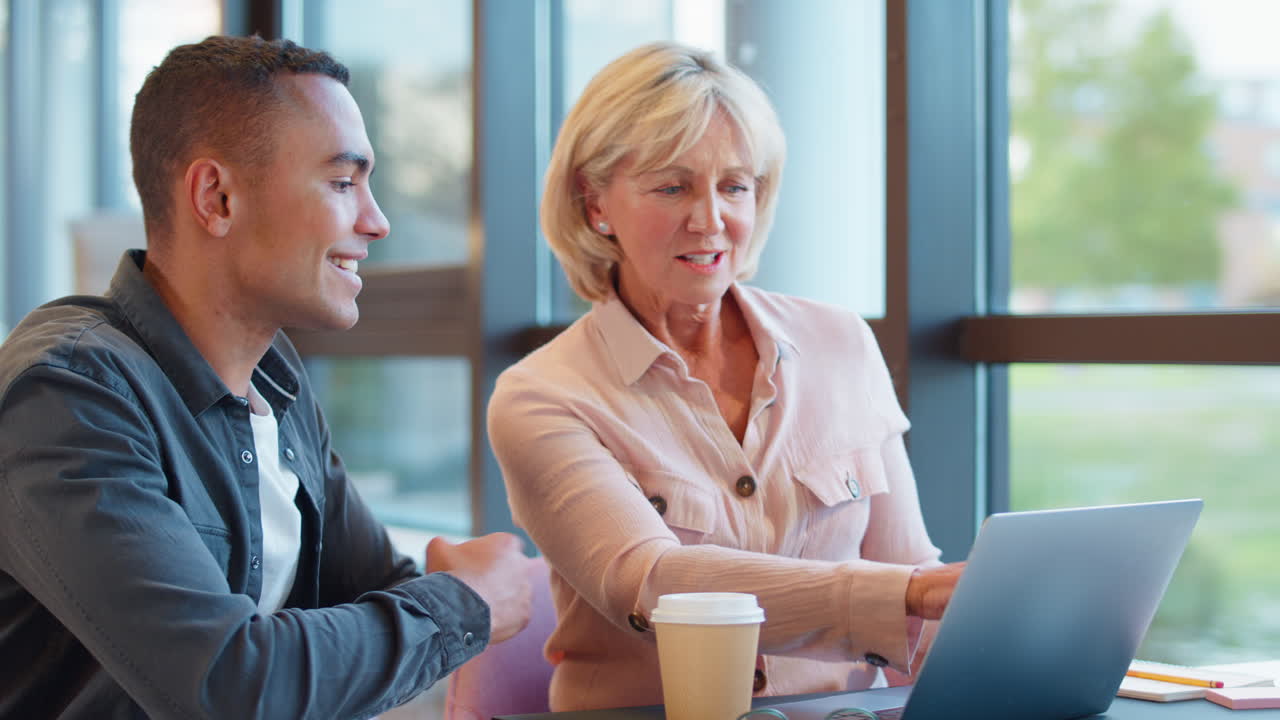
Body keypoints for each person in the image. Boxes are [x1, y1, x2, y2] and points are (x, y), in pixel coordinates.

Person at [0, 35, 530, 719]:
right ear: (217, 197)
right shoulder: (68, 395)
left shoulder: (275, 383)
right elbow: (231, 685)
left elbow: (378, 587)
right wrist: (463, 602)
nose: (377, 222)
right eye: (343, 183)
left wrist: (464, 595)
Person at [487, 42, 965, 711]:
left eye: (735, 186)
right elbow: (652, 583)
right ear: (595, 204)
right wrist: (908, 594)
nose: (710, 220)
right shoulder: (540, 397)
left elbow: (913, 575)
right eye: (672, 187)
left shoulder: (841, 342)